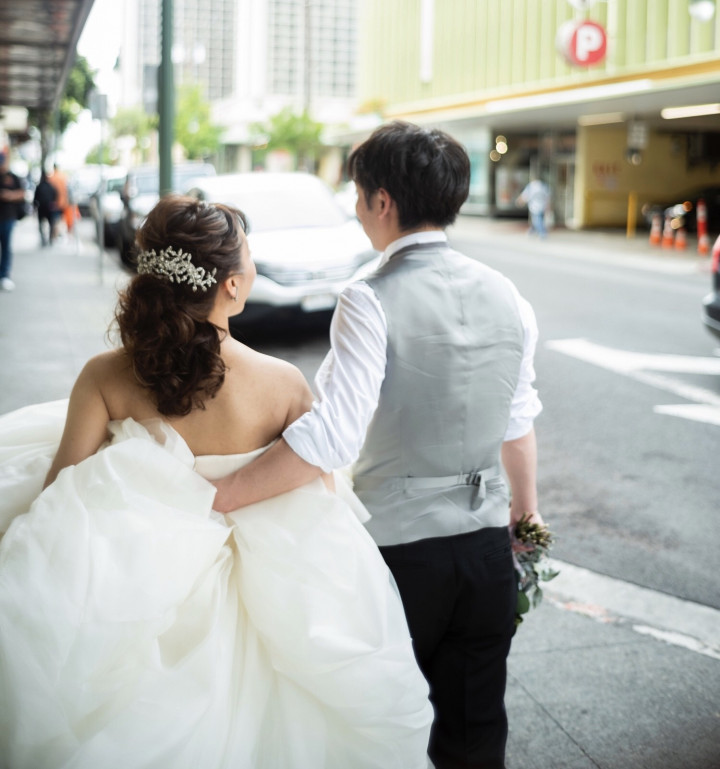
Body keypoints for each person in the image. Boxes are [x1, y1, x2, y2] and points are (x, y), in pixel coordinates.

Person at [0, 195, 433, 768]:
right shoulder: (281, 383)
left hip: (134, 573)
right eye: (248, 257)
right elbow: (320, 496)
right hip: (271, 583)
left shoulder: (105, 375)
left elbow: (63, 486)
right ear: (230, 285)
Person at [211, 121, 543, 769]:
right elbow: (519, 424)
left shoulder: (369, 299)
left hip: (401, 556)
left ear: (383, 202)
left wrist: (220, 493)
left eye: (359, 196)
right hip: (484, 555)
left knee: (393, 729)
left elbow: (331, 435)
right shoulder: (510, 297)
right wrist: (525, 517)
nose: (357, 211)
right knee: (477, 734)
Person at [0, 149, 25, 291]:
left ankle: (4, 275)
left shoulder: (13, 177)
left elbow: (22, 193)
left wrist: (10, 195)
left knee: (6, 247)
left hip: (8, 217)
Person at [33, 170, 58, 246]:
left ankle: (44, 239)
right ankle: (50, 239)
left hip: (41, 207)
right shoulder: (51, 186)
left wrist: (35, 207)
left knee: (41, 224)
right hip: (49, 207)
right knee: (51, 223)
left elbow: (35, 198)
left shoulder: (39, 186)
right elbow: (55, 196)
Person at [48, 162, 69, 240]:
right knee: (60, 218)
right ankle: (58, 234)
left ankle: (55, 235)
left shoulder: (52, 177)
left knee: (54, 219)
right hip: (63, 202)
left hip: (55, 202)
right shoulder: (63, 176)